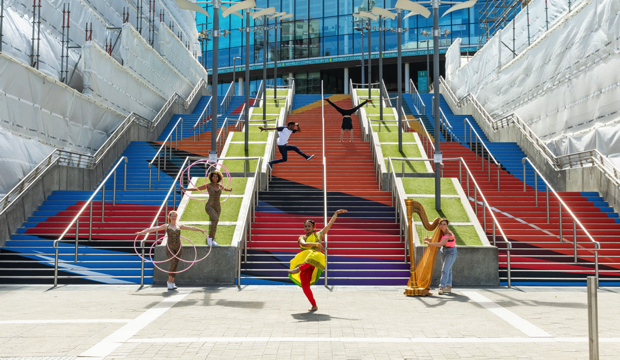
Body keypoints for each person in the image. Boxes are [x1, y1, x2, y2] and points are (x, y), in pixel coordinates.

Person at [288, 209, 348, 311]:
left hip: (315, 261)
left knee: (316, 254)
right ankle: (314, 305)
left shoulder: (318, 234)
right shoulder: (301, 237)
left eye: (309, 226)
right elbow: (303, 244)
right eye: (306, 226)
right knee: (305, 287)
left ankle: (298, 269)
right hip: (305, 263)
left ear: (313, 227)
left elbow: (329, 225)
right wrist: (316, 244)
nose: (307, 228)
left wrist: (335, 214)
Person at [136, 210, 206, 291]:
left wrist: (200, 230)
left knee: (175, 265)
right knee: (173, 262)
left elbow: (190, 228)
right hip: (170, 247)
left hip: (178, 247)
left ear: (176, 217)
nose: (173, 217)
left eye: (175, 216)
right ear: (169, 217)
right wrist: (142, 232)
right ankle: (169, 282)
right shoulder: (166, 226)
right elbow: (154, 229)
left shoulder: (179, 225)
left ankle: (172, 282)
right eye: (172, 216)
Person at [181, 170, 232, 246]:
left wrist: (229, 189)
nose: (215, 178)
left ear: (219, 177)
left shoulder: (219, 186)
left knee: (215, 223)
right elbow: (197, 188)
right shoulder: (208, 185)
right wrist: (185, 189)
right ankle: (209, 238)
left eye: (216, 176)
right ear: (211, 177)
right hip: (209, 206)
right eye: (213, 176)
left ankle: (212, 239)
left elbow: (226, 189)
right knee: (215, 219)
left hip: (218, 207)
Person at [423, 219, 457, 295]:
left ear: (447, 225)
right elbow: (438, 239)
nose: (442, 226)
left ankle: (441, 287)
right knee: (448, 269)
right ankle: (448, 287)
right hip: (443, 251)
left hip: (451, 252)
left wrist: (430, 244)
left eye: (444, 224)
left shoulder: (448, 234)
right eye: (441, 224)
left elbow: (440, 243)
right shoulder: (441, 232)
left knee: (445, 269)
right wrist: (428, 239)